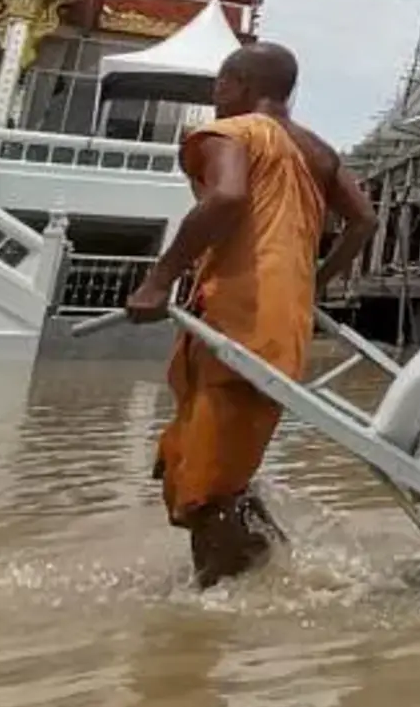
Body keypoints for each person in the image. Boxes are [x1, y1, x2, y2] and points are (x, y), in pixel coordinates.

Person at [126, 42, 378, 588]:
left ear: (235, 84)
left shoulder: (232, 133)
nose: (215, 97)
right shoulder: (318, 151)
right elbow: (363, 221)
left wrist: (159, 277)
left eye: (219, 85)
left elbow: (226, 198)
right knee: (206, 467)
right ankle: (272, 574)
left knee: (206, 490)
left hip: (237, 323)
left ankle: (218, 607)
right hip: (282, 326)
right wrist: (311, 285)